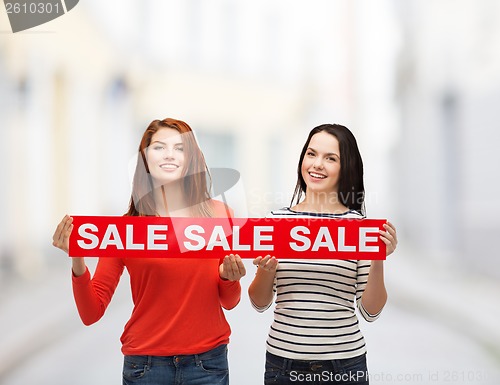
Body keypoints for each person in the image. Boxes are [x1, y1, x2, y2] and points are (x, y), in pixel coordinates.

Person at [52, 118, 246, 385]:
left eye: (179, 148)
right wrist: (77, 257)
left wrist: (227, 277)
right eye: (159, 147)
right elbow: (91, 312)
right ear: (144, 159)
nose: (169, 154)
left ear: (191, 159)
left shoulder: (219, 215)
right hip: (146, 367)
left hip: (207, 364)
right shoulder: (124, 229)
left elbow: (230, 301)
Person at [247, 124, 397, 385]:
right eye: (311, 154)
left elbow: (370, 311)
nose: (317, 164)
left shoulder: (359, 228)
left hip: (346, 366)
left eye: (331, 158)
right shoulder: (275, 222)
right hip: (283, 364)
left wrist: (378, 256)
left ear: (345, 167)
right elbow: (259, 303)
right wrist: (266, 272)